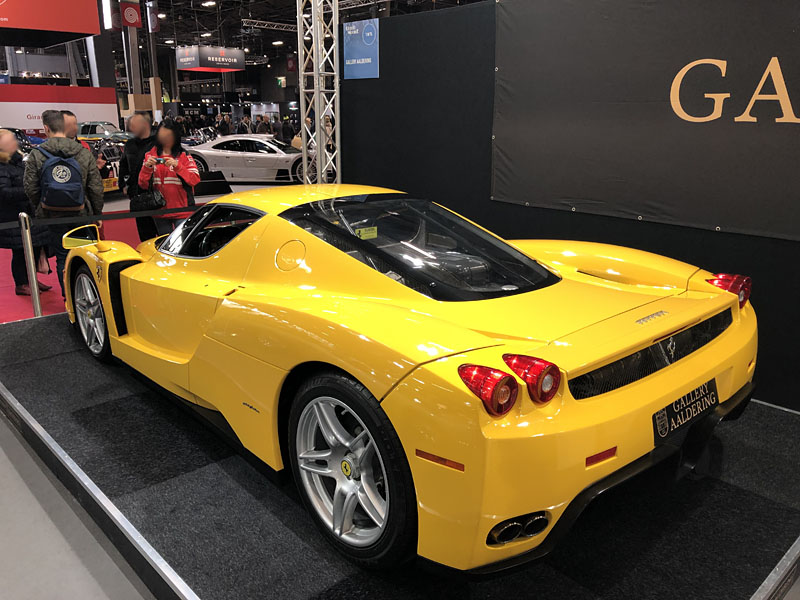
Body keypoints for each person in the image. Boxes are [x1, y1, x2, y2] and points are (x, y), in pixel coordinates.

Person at [24, 110, 103, 298]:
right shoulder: (83, 153)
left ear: (46, 128)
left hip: (52, 215)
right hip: (82, 213)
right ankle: (90, 296)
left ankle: (69, 299)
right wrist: (97, 213)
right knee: (87, 255)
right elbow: (95, 187)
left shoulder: (37, 154)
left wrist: (42, 206)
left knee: (62, 257)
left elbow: (30, 188)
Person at [0, 129, 52, 296]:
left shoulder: (19, 162)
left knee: (34, 247)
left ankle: (31, 279)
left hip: (29, 213)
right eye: (10, 141)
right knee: (20, 251)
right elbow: (4, 193)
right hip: (13, 216)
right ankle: (21, 283)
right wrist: (28, 191)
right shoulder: (2, 167)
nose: (15, 143)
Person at [138, 120, 200, 236]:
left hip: (182, 210)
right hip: (159, 210)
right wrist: (147, 168)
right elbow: (143, 184)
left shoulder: (184, 156)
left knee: (181, 244)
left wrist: (178, 166)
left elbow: (194, 179)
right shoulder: (149, 155)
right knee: (165, 245)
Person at [118, 113, 157, 241]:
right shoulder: (129, 144)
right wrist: (123, 184)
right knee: (145, 235)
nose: (130, 128)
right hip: (136, 196)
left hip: (156, 194)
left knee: (162, 234)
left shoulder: (159, 142)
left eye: (133, 125)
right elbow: (123, 165)